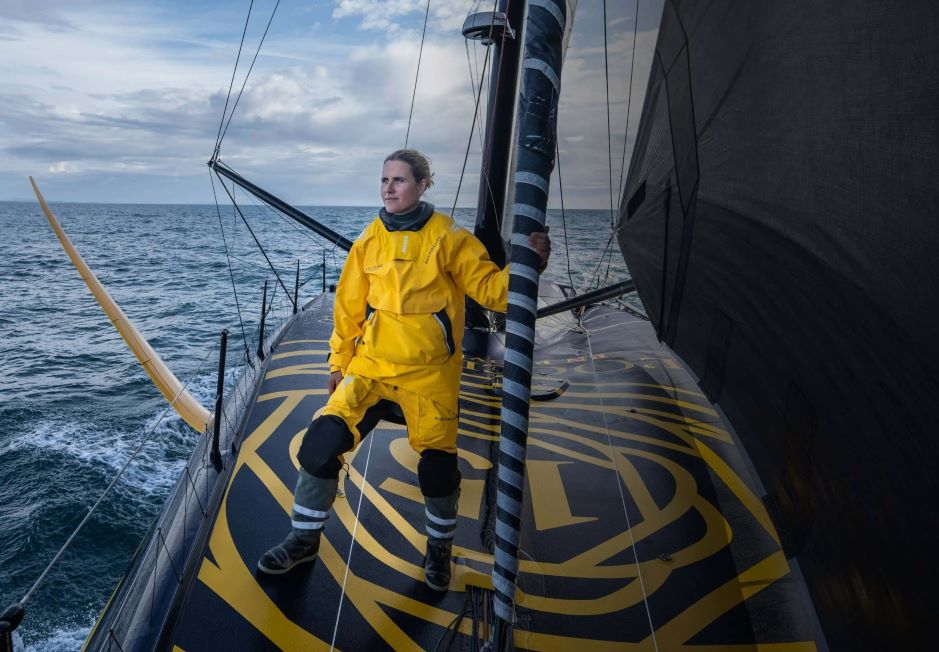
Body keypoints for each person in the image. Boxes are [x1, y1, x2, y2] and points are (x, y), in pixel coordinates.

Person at [258, 149, 550, 591]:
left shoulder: (449, 238)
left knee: (438, 470)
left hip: (428, 375)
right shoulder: (369, 240)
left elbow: (492, 291)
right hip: (371, 369)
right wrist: (338, 363)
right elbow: (348, 310)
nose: (388, 188)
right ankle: (304, 540)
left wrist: (530, 265)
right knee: (319, 444)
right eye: (384, 180)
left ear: (422, 184)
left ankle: (439, 549)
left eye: (398, 180)